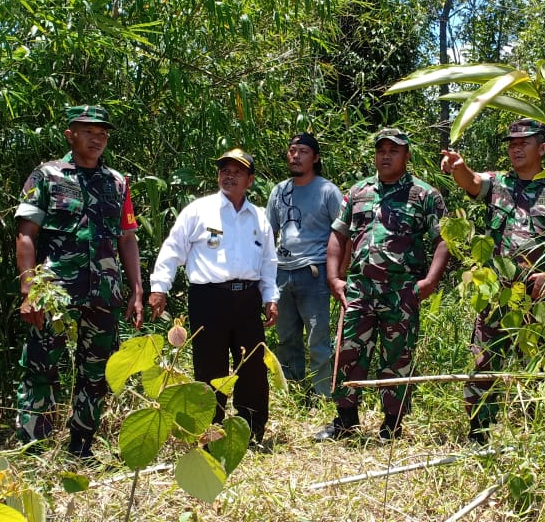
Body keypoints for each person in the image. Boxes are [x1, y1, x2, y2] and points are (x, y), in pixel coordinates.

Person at [14, 105, 144, 461]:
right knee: (41, 364)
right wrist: (29, 290)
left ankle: (80, 447)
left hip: (104, 291)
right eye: (88, 131)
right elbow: (26, 235)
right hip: (54, 292)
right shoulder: (46, 176)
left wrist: (136, 289)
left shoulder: (117, 182)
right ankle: (32, 449)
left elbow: (127, 237)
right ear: (70, 134)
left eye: (102, 132)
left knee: (97, 370)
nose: (97, 138)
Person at [439, 118, 545, 444]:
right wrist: (459, 166)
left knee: (536, 363)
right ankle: (479, 433)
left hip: (538, 294)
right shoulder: (499, 182)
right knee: (484, 359)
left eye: (524, 143)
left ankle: (534, 434)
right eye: (512, 143)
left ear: (542, 148)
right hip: (497, 291)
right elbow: (472, 182)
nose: (516, 148)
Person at [314, 128, 450, 442]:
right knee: (348, 353)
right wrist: (334, 278)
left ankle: (392, 426)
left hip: (401, 291)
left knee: (397, 358)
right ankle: (345, 422)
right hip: (359, 290)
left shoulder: (424, 195)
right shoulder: (358, 191)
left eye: (393, 150)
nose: (385, 156)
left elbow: (445, 239)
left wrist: (429, 281)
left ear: (407, 155)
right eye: (381, 150)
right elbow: (339, 235)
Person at [148, 148, 279, 445]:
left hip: (247, 300)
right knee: (209, 366)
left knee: (252, 367)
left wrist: (271, 298)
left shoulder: (259, 218)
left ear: (250, 179)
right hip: (209, 299)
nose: (229, 175)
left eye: (238, 171)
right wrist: (159, 287)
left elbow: (268, 264)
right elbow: (172, 250)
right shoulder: (199, 211)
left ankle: (251, 430)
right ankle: (211, 429)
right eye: (224, 170)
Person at [265, 133, 343, 400]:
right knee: (286, 337)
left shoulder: (328, 191)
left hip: (315, 271)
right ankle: (294, 393)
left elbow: (344, 235)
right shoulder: (279, 190)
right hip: (282, 271)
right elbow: (268, 234)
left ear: (316, 158)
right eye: (292, 150)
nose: (296, 156)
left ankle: (324, 395)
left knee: (317, 339)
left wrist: (338, 275)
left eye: (303, 151)